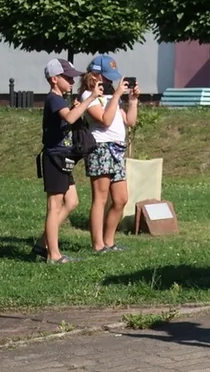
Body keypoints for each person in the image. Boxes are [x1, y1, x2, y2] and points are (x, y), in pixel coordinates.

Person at [34, 59, 101, 263]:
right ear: (54, 79)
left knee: (71, 202)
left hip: (63, 157)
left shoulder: (60, 100)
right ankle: (54, 255)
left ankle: (42, 242)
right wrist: (90, 100)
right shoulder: (54, 99)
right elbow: (71, 119)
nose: (72, 81)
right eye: (68, 77)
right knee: (54, 206)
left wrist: (76, 107)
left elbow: (67, 119)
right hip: (54, 157)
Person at [80, 55, 140, 253]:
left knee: (121, 199)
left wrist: (132, 100)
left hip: (117, 149)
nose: (109, 81)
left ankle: (109, 241)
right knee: (101, 198)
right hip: (101, 149)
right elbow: (105, 120)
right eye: (106, 77)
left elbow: (129, 121)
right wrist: (115, 96)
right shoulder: (88, 96)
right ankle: (98, 245)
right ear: (95, 74)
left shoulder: (109, 95)